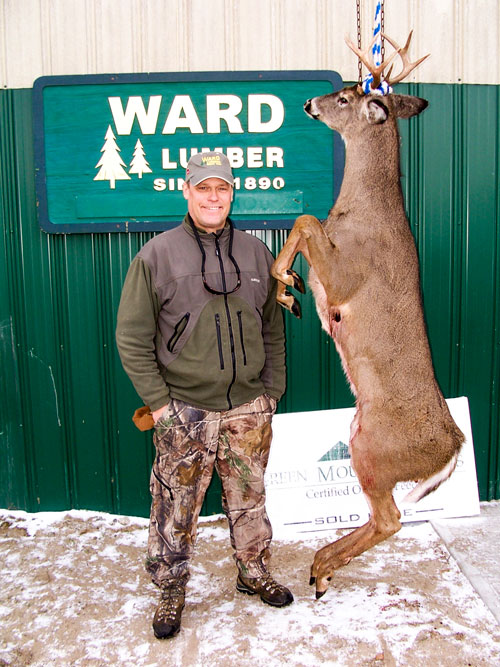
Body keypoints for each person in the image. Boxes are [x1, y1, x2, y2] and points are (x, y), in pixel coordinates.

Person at [116, 151, 292, 640]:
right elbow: (131, 336)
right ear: (187, 192)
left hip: (248, 406)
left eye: (222, 188)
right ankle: (171, 587)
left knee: (250, 497)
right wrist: (158, 404)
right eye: (204, 188)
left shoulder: (257, 252)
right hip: (184, 408)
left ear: (232, 193)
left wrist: (271, 391)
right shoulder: (156, 255)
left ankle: (252, 569)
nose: (213, 197)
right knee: (176, 502)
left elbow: (272, 328)